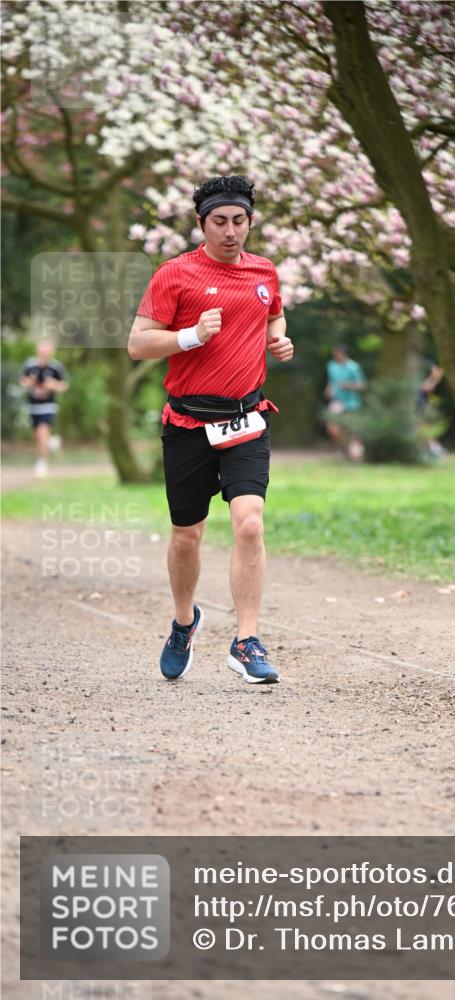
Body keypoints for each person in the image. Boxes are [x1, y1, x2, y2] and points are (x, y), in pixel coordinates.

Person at [128, 175, 294, 684]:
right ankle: (184, 623)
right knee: (186, 536)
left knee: (249, 522)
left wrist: (279, 341)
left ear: (250, 222)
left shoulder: (265, 271)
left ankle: (245, 641)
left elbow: (274, 318)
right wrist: (189, 336)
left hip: (247, 417)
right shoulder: (174, 275)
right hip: (187, 422)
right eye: (219, 222)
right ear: (202, 224)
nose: (230, 231)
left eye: (239, 221)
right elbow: (138, 343)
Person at [20, 340, 68, 478]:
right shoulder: (30, 364)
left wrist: (54, 386)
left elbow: (64, 386)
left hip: (48, 406)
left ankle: (42, 463)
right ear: (38, 351)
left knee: (42, 433)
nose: (44, 354)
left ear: (51, 352)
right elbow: (22, 382)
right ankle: (52, 443)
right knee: (38, 436)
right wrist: (29, 383)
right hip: (32, 405)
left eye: (47, 351)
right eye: (42, 351)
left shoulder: (56, 367)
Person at [324, 343, 366, 461]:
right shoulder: (331, 366)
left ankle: (355, 453)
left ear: (344, 354)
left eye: (338, 353)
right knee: (332, 428)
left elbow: (361, 385)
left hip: (351, 403)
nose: (336, 355)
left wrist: (348, 385)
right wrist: (328, 389)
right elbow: (332, 381)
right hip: (336, 402)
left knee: (352, 431)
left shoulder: (353, 367)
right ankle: (347, 449)